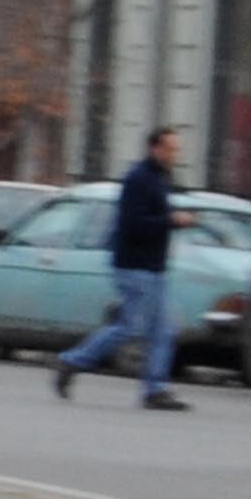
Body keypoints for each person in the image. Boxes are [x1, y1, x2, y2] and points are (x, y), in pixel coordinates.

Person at [54, 125, 190, 412]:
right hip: (134, 266)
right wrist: (170, 221)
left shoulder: (159, 178)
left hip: (153, 267)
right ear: (154, 148)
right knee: (130, 326)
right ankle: (72, 361)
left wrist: (170, 221)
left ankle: (155, 390)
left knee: (163, 329)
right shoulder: (138, 179)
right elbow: (132, 224)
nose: (174, 154)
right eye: (169, 148)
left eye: (175, 149)